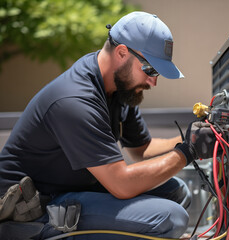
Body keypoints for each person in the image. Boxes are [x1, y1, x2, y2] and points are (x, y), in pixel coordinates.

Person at [0, 11, 216, 239]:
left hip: (73, 189)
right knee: (170, 218)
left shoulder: (119, 89)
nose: (153, 81)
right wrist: (188, 152)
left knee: (175, 191)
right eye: (150, 70)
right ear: (122, 52)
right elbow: (121, 184)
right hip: (34, 210)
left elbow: (142, 150)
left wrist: (193, 138)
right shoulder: (74, 100)